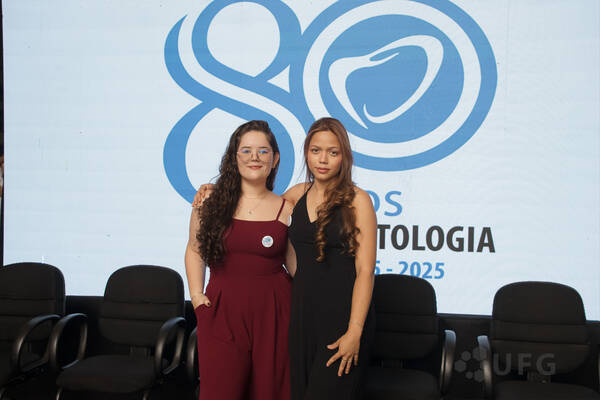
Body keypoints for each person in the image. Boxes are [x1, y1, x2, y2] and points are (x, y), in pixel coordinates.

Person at [194, 117, 377, 399]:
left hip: (342, 315)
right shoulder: (296, 195)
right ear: (306, 153)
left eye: (333, 152)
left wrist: (355, 330)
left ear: (345, 156)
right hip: (300, 314)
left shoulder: (358, 200)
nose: (323, 159)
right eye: (315, 150)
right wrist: (216, 190)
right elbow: (255, 203)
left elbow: (365, 271)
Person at [185, 120, 294, 400]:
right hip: (221, 311)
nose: (254, 157)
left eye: (263, 151)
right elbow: (195, 250)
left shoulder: (287, 208)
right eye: (246, 150)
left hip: (274, 314)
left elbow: (296, 268)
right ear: (234, 157)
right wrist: (196, 296)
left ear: (275, 159)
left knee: (271, 393)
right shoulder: (209, 202)